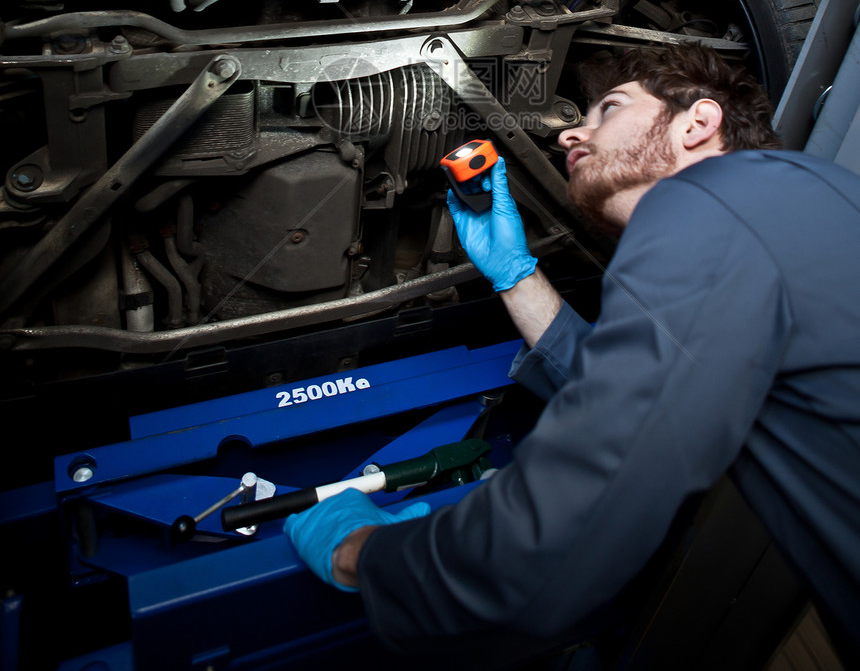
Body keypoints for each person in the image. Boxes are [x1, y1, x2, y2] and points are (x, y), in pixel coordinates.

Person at [285, 45, 860, 665]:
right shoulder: (780, 207)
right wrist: (512, 273)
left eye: (608, 108)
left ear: (698, 123)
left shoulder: (712, 200)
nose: (567, 134)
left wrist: (361, 554)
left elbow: (538, 560)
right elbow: (638, 402)